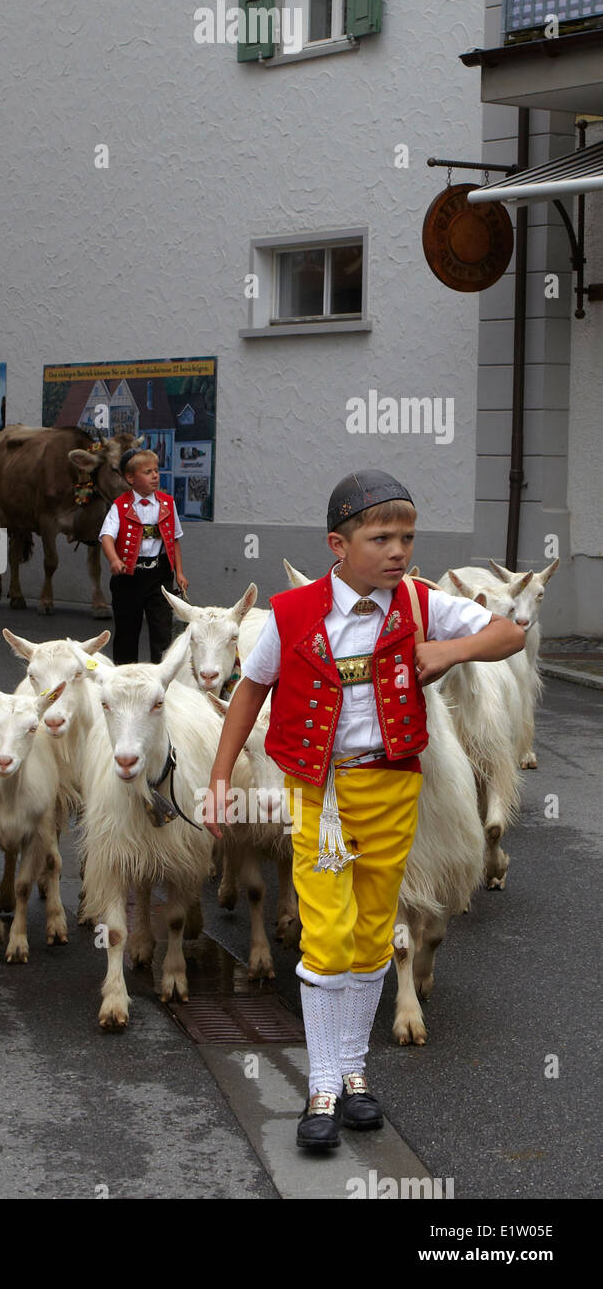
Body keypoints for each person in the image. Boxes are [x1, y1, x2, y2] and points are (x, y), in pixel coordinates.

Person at [203, 469, 526, 1153]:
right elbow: (250, 691)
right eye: (381, 536)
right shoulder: (291, 614)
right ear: (337, 545)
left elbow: (509, 634)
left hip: (391, 788)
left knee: (374, 931)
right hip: (316, 793)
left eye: (407, 537)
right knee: (327, 933)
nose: (398, 550)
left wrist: (450, 647)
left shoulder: (419, 602)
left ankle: (354, 1075)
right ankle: (321, 1085)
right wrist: (220, 775)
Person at [99, 448, 188, 664]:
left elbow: (174, 539)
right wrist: (114, 560)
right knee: (127, 632)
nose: (155, 475)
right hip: (129, 578)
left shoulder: (167, 503)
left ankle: (163, 676)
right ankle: (125, 676)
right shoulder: (120, 506)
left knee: (162, 631)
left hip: (159, 576)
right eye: (148, 472)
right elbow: (107, 536)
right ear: (131, 478)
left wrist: (180, 572)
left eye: (156, 471)